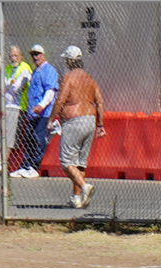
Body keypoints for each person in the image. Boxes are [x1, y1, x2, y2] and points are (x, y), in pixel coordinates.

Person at [47, 45, 105, 209]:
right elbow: (100, 102)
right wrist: (100, 125)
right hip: (90, 121)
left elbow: (60, 100)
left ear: (70, 61)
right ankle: (76, 198)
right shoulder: (90, 79)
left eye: (66, 60)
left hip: (74, 121)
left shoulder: (69, 77)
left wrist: (51, 119)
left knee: (66, 161)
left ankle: (84, 186)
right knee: (80, 163)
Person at [10, 44, 59, 179]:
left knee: (38, 138)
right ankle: (25, 166)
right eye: (33, 55)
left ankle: (34, 166)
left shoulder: (48, 70)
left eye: (37, 54)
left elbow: (50, 91)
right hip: (33, 113)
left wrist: (41, 106)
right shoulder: (36, 71)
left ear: (43, 55)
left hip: (43, 113)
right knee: (28, 138)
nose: (35, 57)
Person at [0, 45, 32, 177]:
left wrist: (8, 85)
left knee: (9, 137)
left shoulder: (25, 69)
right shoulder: (7, 69)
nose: (13, 58)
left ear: (21, 56)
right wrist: (8, 86)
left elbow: (16, 89)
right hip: (6, 106)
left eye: (15, 56)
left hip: (17, 107)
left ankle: (2, 164)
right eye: (11, 56)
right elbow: (2, 87)